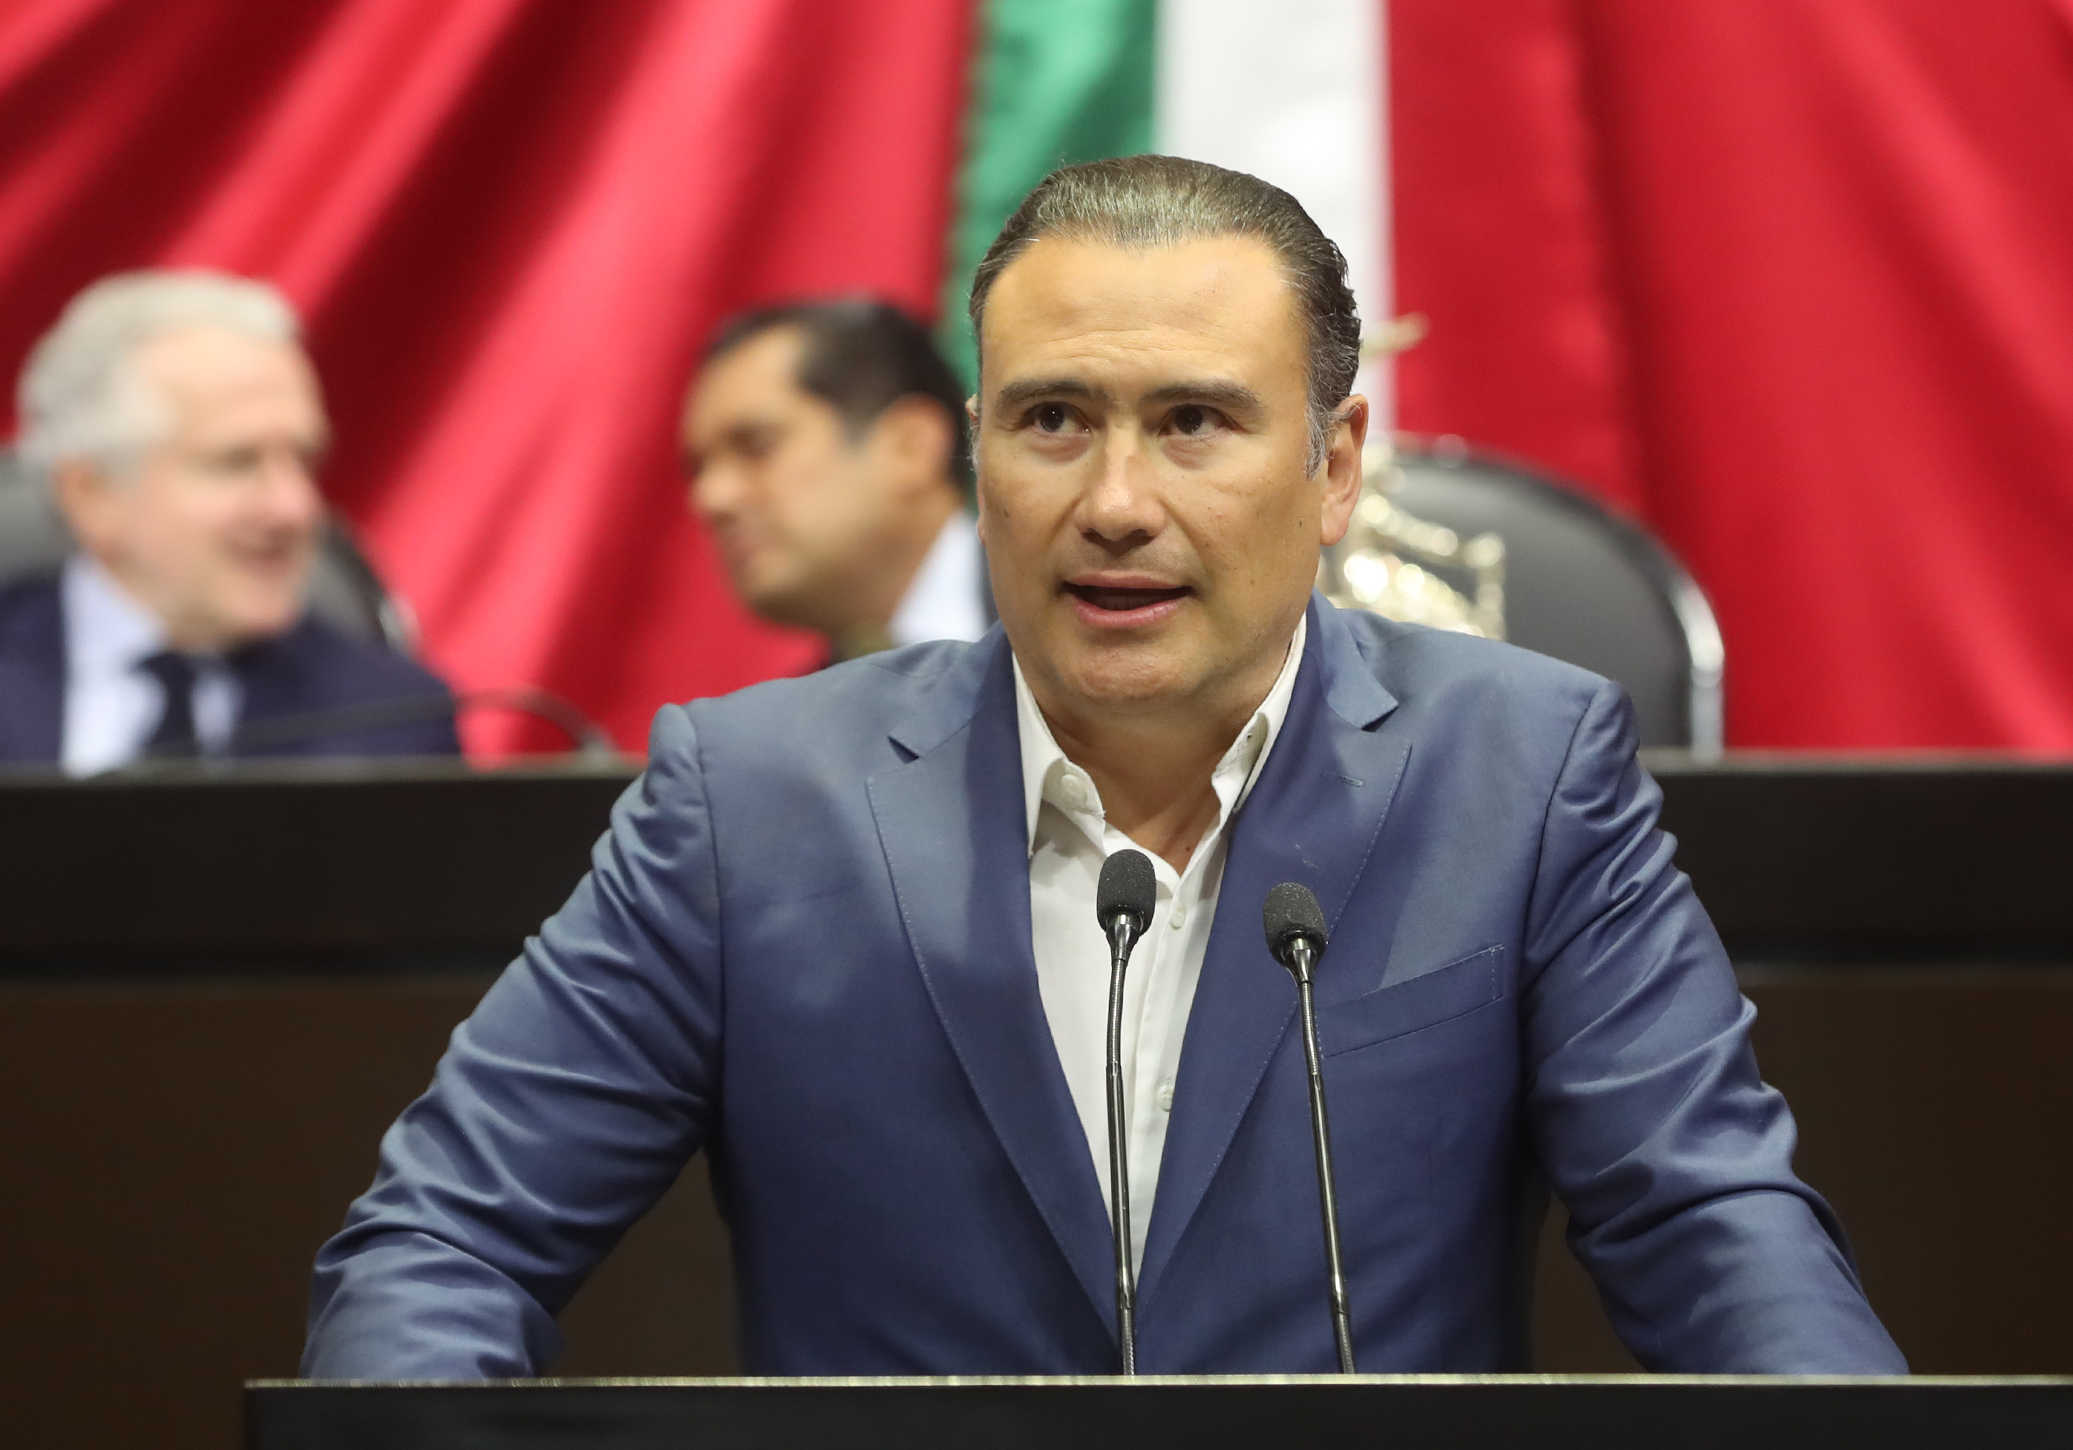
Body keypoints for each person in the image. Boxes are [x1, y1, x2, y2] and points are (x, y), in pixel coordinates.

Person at [306, 157, 1902, 1376]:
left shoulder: (1521, 770)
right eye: (1055, 420)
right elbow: (444, 1243)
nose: (1116, 502)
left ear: (1332, 468)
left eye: (1194, 422)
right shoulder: (755, 802)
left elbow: (1711, 1228)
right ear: (978, 450)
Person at [0, 271, 458, 770]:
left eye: (304, 461)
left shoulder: (394, 719)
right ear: (92, 494)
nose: (294, 507)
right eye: (237, 462)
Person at [682, 297, 987, 661]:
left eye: (758, 446)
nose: (711, 498)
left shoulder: (1048, 616)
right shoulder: (808, 698)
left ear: (909, 446)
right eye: (697, 470)